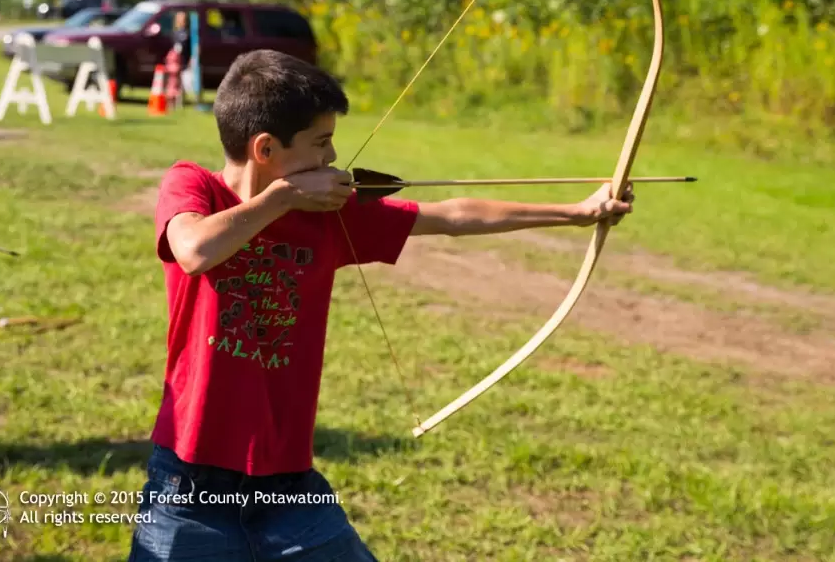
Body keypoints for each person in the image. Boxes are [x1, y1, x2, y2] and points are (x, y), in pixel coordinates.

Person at [126, 49, 634, 561]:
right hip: (188, 486)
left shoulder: (329, 217)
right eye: (320, 143)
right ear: (265, 148)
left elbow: (453, 215)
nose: (331, 158)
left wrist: (577, 211)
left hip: (287, 486)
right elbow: (193, 251)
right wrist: (281, 198)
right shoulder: (194, 186)